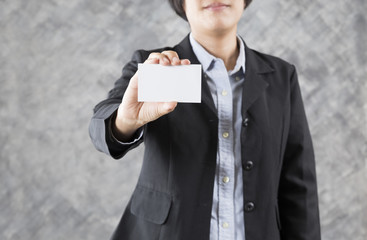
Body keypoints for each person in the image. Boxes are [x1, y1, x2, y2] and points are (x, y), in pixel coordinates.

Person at [89, 0, 321, 239]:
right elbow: (100, 128)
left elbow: (299, 187)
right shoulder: (154, 68)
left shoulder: (281, 77)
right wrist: (125, 120)